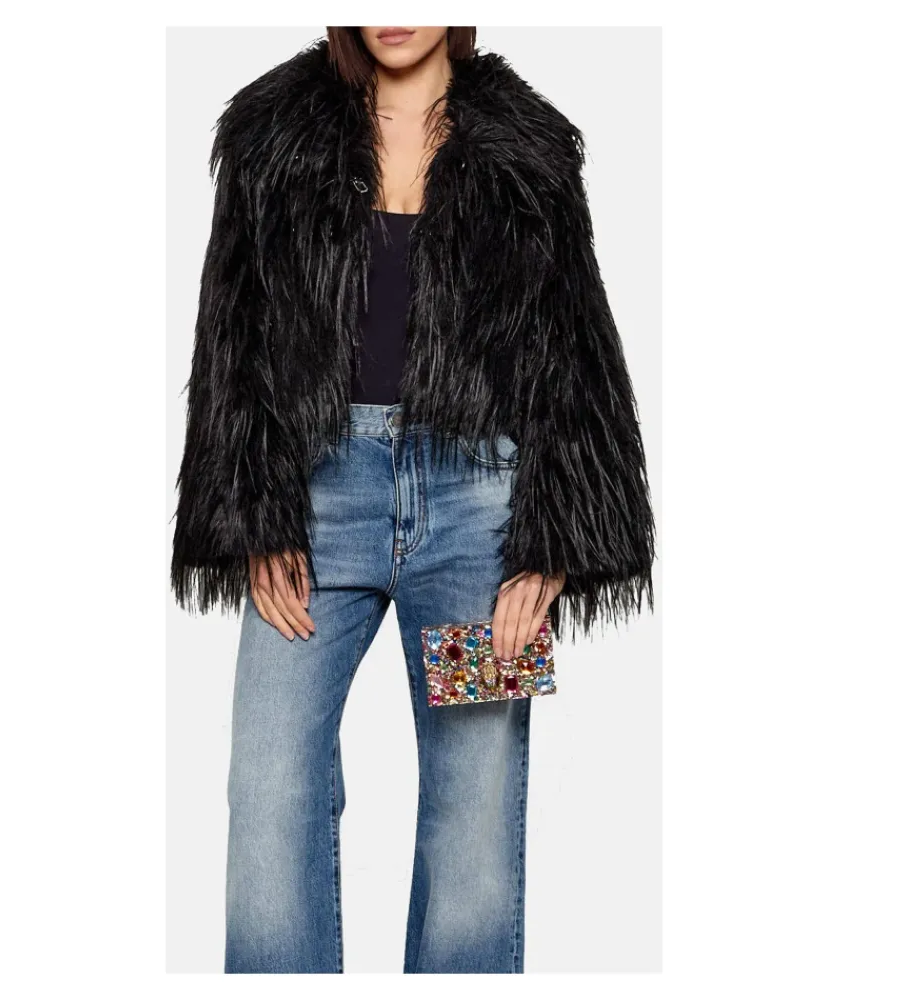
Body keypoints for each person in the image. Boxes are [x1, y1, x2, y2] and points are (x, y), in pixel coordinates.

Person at [171, 26, 655, 974]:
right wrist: (255, 509)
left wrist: (553, 538)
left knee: (474, 818)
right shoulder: (273, 133)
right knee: (268, 789)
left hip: (481, 507)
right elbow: (231, 338)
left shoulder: (530, 148)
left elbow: (577, 356)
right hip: (317, 499)